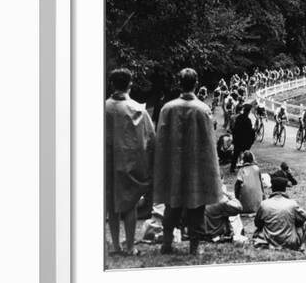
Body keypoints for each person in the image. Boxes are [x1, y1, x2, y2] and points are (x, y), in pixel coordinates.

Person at [153, 68, 222, 255]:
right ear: (196, 83)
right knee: (197, 206)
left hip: (173, 166)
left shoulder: (167, 108)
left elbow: (161, 141)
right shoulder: (203, 110)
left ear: (178, 84)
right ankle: (194, 246)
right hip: (196, 167)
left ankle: (167, 243)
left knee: (171, 204)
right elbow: (210, 143)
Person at [105, 68, 155, 256]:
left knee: (112, 204)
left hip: (108, 162)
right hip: (130, 162)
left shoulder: (104, 107)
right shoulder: (138, 109)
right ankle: (129, 246)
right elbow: (150, 137)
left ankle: (116, 245)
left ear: (112, 84)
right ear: (130, 85)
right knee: (130, 204)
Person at [253, 177, 306, 251]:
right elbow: (304, 217)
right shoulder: (292, 203)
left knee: (260, 228)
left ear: (272, 189)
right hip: (290, 243)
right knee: (303, 225)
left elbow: (257, 223)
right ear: (284, 189)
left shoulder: (264, 204)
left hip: (269, 241)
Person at [231, 104, 256, 172]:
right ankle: (244, 167)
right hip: (244, 140)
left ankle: (232, 167)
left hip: (238, 139)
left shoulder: (239, 118)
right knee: (245, 154)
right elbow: (250, 131)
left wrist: (234, 138)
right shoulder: (248, 120)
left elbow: (235, 129)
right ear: (248, 112)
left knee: (236, 154)